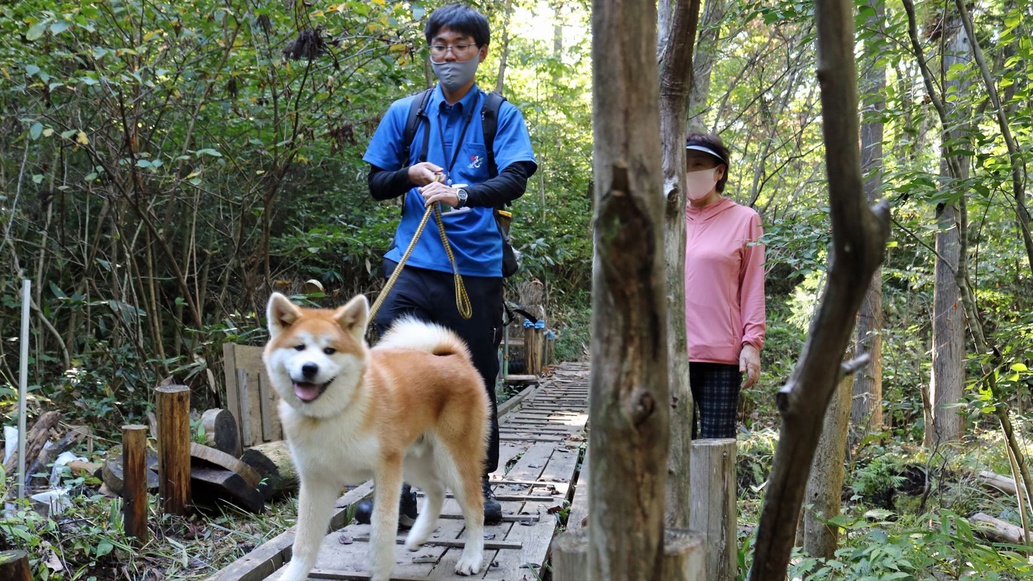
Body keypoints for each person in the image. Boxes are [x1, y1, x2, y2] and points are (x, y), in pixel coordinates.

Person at [360, 3, 537, 525]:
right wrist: (411, 175)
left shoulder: (498, 114)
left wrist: (460, 193)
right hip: (412, 262)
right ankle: (395, 489)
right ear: (430, 51)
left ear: (480, 53)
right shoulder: (408, 112)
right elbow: (375, 184)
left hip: (475, 269)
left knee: (474, 377)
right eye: (440, 46)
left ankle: (474, 484)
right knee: (390, 372)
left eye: (461, 46)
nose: (449, 55)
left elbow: (516, 178)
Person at [683, 132, 765, 439]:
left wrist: (752, 344)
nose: (692, 171)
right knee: (670, 452)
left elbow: (753, 286)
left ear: (719, 172)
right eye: (686, 164)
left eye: (700, 164)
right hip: (670, 353)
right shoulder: (666, 217)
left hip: (720, 357)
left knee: (717, 451)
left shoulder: (745, 219)